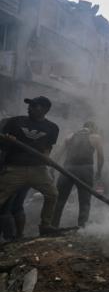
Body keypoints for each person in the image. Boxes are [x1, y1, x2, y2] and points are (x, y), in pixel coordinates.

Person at [0, 96, 59, 235]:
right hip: (15, 168)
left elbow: (48, 147)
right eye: (30, 105)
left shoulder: (52, 128)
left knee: (52, 194)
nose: (29, 107)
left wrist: (46, 156)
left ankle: (45, 225)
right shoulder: (15, 121)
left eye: (33, 105)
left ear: (44, 110)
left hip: (38, 169)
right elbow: (2, 144)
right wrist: (7, 140)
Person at [52, 121, 104, 228]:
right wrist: (99, 172)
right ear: (92, 128)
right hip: (85, 170)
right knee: (84, 201)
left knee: (60, 200)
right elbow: (101, 157)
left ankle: (53, 225)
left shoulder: (70, 136)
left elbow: (58, 153)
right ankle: (82, 228)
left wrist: (52, 168)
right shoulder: (95, 137)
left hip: (67, 169)